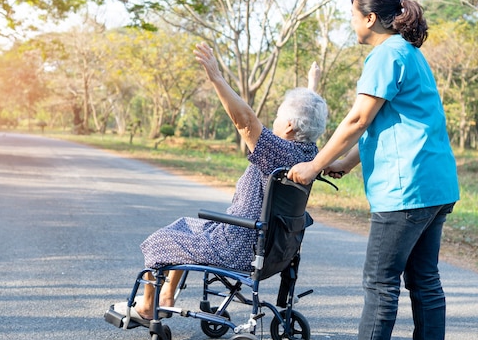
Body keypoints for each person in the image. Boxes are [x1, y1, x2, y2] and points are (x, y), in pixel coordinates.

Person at [287, 0, 460, 340]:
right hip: (436, 186)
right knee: (425, 282)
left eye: (353, 16)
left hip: (406, 191)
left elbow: (358, 120)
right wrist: (345, 163)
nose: (351, 24)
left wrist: (313, 166)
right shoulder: (410, 53)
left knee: (381, 285)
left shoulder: (385, 56)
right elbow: (397, 122)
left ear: (369, 18)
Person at [113, 42, 328, 325]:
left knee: (160, 240)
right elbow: (307, 114)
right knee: (183, 226)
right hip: (272, 247)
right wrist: (312, 86)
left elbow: (245, 122)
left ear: (288, 126)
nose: (272, 121)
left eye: (277, 116)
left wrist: (216, 77)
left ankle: (148, 306)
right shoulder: (309, 152)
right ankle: (166, 297)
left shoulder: (277, 150)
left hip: (238, 244)